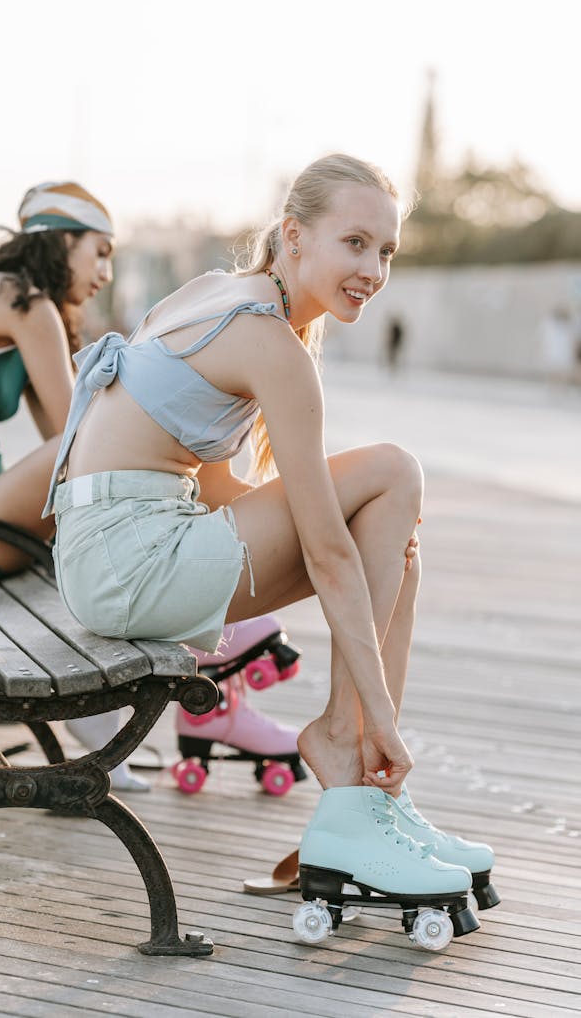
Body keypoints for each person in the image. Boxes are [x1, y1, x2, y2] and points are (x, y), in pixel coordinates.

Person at [43, 154, 496, 903]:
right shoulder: (269, 341)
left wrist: (369, 536)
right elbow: (319, 547)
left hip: (110, 556)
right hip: (128, 561)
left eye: (385, 251)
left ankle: (369, 801)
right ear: (294, 234)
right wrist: (383, 715)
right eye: (354, 243)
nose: (373, 269)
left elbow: (227, 491)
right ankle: (349, 750)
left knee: (393, 536)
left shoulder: (220, 296)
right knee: (393, 470)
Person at [0, 180, 150, 790]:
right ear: (63, 242)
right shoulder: (23, 302)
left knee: (104, 471)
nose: (105, 272)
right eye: (100, 251)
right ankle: (105, 712)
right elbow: (81, 438)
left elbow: (64, 440)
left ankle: (99, 715)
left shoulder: (16, 299)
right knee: (113, 454)